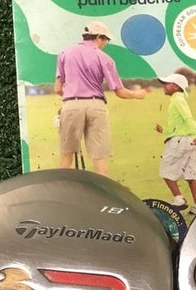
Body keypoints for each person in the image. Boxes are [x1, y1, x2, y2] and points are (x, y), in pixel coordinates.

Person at [55, 21, 145, 176]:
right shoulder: (104, 58)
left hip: (71, 105)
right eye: (106, 40)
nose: (105, 44)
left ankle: (62, 190)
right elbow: (120, 92)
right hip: (96, 106)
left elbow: (57, 89)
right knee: (100, 158)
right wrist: (137, 95)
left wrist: (71, 100)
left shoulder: (65, 53)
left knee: (66, 157)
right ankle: (104, 192)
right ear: (98, 37)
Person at [155, 72, 196, 215]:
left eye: (167, 84)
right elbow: (176, 126)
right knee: (191, 174)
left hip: (181, 141)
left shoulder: (177, 99)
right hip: (190, 141)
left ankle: (179, 199)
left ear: (176, 87)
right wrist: (164, 130)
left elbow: (188, 118)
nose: (164, 86)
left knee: (165, 170)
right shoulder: (178, 99)